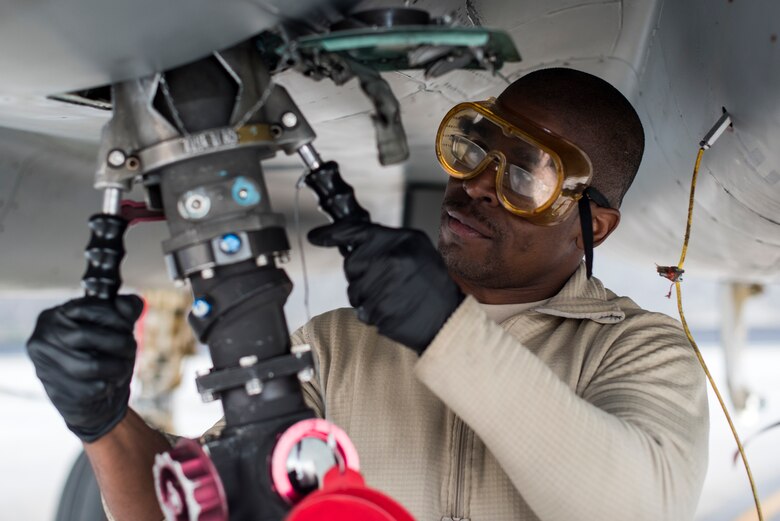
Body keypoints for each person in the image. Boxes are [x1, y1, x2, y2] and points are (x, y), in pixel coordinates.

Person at [27, 67, 709, 521]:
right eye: (473, 148)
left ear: (595, 222)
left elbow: (631, 505)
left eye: (524, 174)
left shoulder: (639, 352)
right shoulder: (338, 347)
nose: (474, 185)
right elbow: (200, 505)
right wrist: (106, 421)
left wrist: (448, 333)